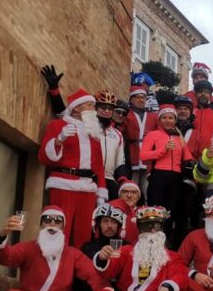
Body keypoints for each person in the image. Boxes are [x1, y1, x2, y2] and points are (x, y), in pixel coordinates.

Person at [40, 66, 131, 196]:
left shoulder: (118, 135)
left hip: (108, 180)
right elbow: (63, 112)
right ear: (95, 108)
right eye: (103, 107)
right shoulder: (85, 125)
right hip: (86, 179)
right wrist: (54, 90)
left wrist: (123, 181)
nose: (107, 111)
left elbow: (120, 162)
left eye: (110, 109)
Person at [38, 89, 108, 246]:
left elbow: (98, 165)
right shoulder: (58, 125)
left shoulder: (94, 133)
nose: (93, 109)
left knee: (84, 234)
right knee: (60, 228)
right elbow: (44, 157)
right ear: (76, 108)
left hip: (88, 188)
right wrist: (59, 140)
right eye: (89, 105)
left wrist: (101, 192)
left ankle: (78, 261)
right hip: (64, 184)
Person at [139, 105, 193, 244]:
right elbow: (143, 155)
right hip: (159, 175)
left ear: (175, 120)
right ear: (159, 120)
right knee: (155, 210)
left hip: (176, 177)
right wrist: (163, 150)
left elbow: (188, 157)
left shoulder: (178, 136)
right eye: (164, 118)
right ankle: (150, 241)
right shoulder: (152, 135)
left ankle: (165, 243)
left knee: (171, 212)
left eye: (171, 118)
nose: (168, 120)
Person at [124, 73, 159, 195]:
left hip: (147, 156)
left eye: (143, 97)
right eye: (138, 97)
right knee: (131, 184)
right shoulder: (127, 114)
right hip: (132, 153)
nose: (141, 100)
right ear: (131, 99)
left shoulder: (153, 116)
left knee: (146, 187)